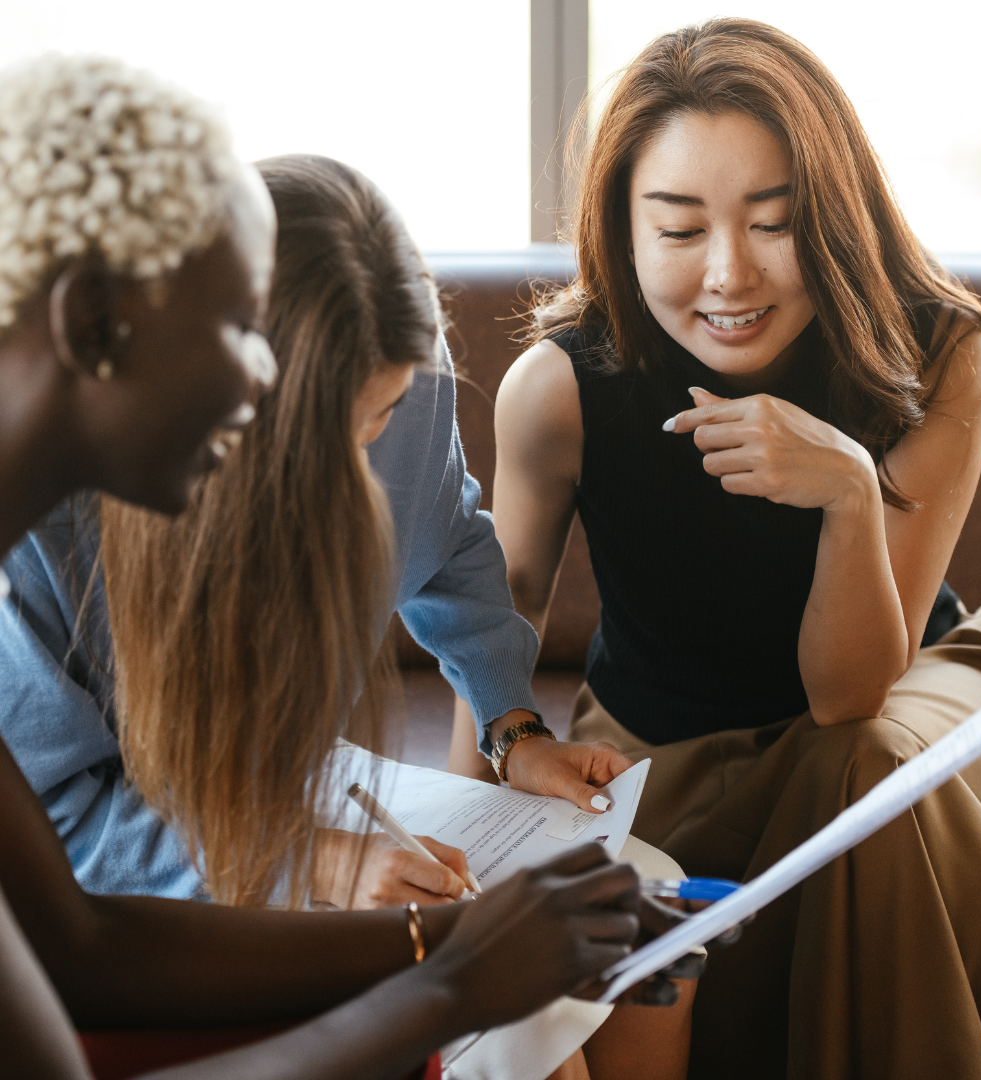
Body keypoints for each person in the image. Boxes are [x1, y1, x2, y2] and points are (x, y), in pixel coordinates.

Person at [0, 53, 693, 1080]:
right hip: (163, 849)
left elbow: (79, 951)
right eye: (238, 330)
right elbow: (81, 938)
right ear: (100, 329)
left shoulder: (396, 417)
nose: (252, 381)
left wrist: (452, 931)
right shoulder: (46, 553)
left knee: (626, 917)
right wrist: (445, 971)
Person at [447, 17, 981, 1080]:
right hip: (660, 735)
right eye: (680, 229)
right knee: (849, 784)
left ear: (832, 215)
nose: (729, 274)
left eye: (774, 223)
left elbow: (850, 696)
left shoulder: (939, 355)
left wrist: (848, 497)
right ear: (622, 228)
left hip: (911, 691)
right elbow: (493, 615)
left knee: (861, 769)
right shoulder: (557, 391)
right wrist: (460, 838)